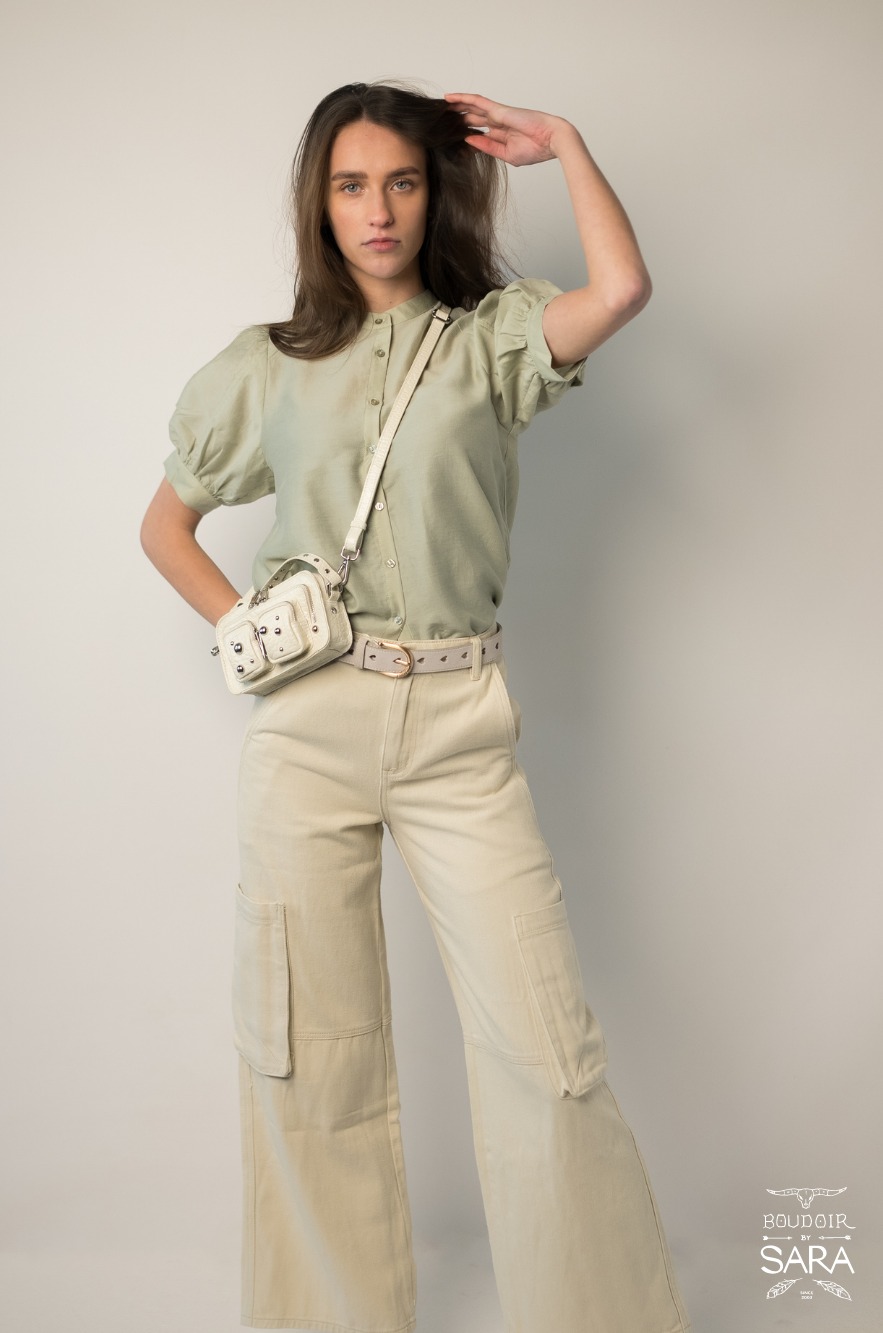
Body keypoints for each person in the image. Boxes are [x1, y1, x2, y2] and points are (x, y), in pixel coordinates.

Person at [141, 81, 691, 1333]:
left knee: (543, 1044)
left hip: (458, 724)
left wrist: (566, 147)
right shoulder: (266, 365)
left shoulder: (492, 339)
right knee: (310, 1050)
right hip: (308, 729)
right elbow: (165, 524)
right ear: (319, 204)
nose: (378, 210)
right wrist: (248, 628)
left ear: (437, 193)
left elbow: (619, 292)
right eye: (350, 185)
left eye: (400, 181)